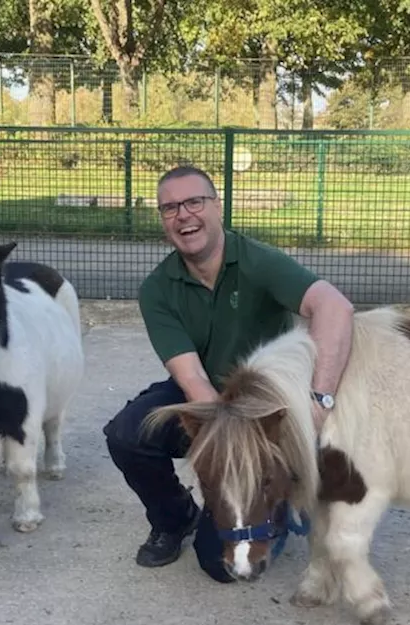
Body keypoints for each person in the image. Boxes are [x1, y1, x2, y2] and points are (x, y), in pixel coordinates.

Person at [102, 166, 354, 582]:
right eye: (170, 208)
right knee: (127, 434)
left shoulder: (258, 261)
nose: (183, 215)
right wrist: (227, 448)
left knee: (214, 565)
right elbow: (193, 380)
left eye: (194, 202)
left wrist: (320, 400)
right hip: (209, 396)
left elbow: (334, 307)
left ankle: (269, 505)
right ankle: (173, 517)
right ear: (163, 220)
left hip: (266, 402)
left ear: (217, 206)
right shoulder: (157, 289)